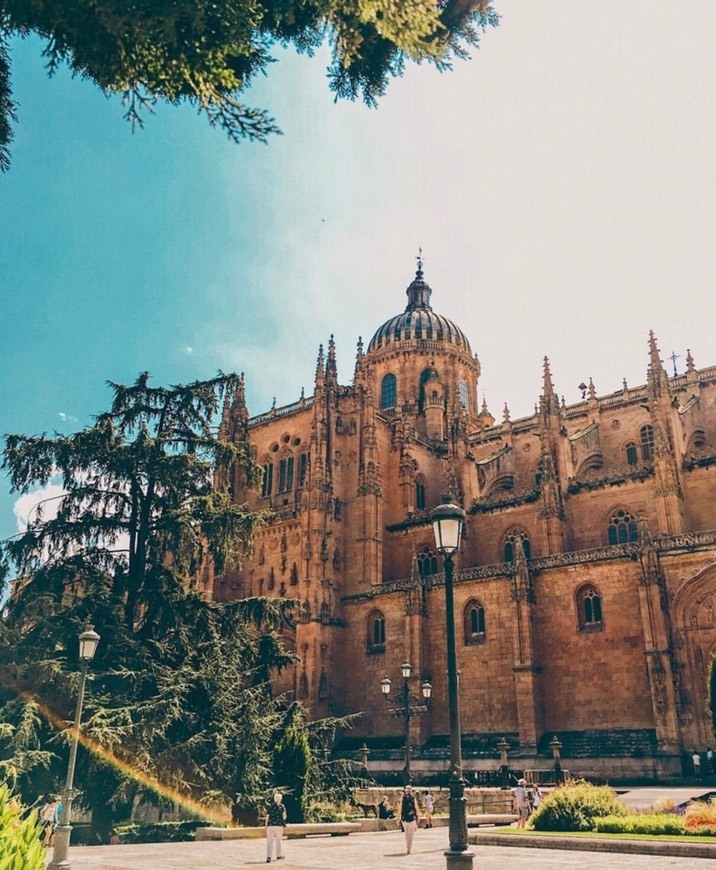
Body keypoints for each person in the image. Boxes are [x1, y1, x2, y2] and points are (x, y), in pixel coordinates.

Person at [264, 792, 287, 863]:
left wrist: (266, 825)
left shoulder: (270, 806)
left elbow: (267, 816)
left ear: (274, 799)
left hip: (270, 825)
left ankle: (269, 857)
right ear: (280, 799)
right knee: (278, 841)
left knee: (269, 842)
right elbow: (284, 817)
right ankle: (279, 855)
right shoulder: (282, 806)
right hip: (279, 825)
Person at [398, 784, 420, 854]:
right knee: (410, 834)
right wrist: (418, 817)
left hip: (405, 818)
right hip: (411, 817)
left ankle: (408, 847)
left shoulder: (403, 798)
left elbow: (400, 808)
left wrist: (398, 818)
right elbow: (416, 808)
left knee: (407, 834)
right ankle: (409, 847)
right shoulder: (413, 798)